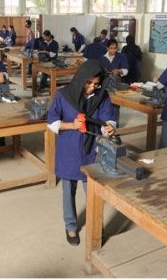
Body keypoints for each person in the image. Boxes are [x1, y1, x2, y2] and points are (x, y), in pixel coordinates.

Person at [47, 60, 116, 245]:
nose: (92, 88)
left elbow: (107, 118)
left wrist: (108, 128)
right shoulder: (64, 96)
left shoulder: (102, 96)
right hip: (68, 150)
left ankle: (96, 225)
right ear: (80, 79)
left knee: (93, 191)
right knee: (68, 190)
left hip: (90, 151)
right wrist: (71, 125)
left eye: (96, 84)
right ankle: (70, 226)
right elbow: (52, 121)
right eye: (89, 83)